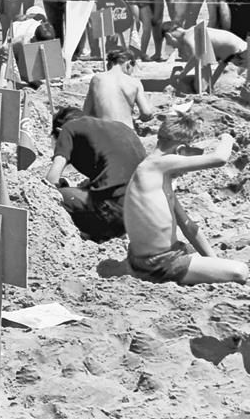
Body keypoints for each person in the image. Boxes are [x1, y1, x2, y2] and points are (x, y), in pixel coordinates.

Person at [123, 112, 247, 285]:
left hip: (160, 257)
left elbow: (188, 226)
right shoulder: (157, 164)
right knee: (240, 271)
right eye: (194, 154)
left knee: (214, 263)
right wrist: (227, 138)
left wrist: (214, 261)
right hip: (158, 264)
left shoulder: (156, 176)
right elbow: (219, 159)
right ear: (180, 151)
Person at [46, 107, 145, 242]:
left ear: (59, 131)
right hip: (138, 218)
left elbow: (50, 181)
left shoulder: (68, 128)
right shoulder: (119, 128)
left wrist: (58, 189)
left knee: (49, 197)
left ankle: (77, 240)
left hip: (109, 214)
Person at [162, 21, 248, 87]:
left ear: (169, 36)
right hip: (241, 51)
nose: (171, 46)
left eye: (167, 42)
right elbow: (218, 64)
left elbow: (196, 57)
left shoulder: (190, 37)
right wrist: (210, 85)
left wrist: (183, 73)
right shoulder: (195, 31)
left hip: (243, 53)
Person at [82, 50, 154, 128]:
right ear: (129, 64)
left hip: (103, 132)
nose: (131, 73)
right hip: (126, 133)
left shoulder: (97, 79)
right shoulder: (135, 82)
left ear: (108, 64)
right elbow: (147, 113)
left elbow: (86, 113)